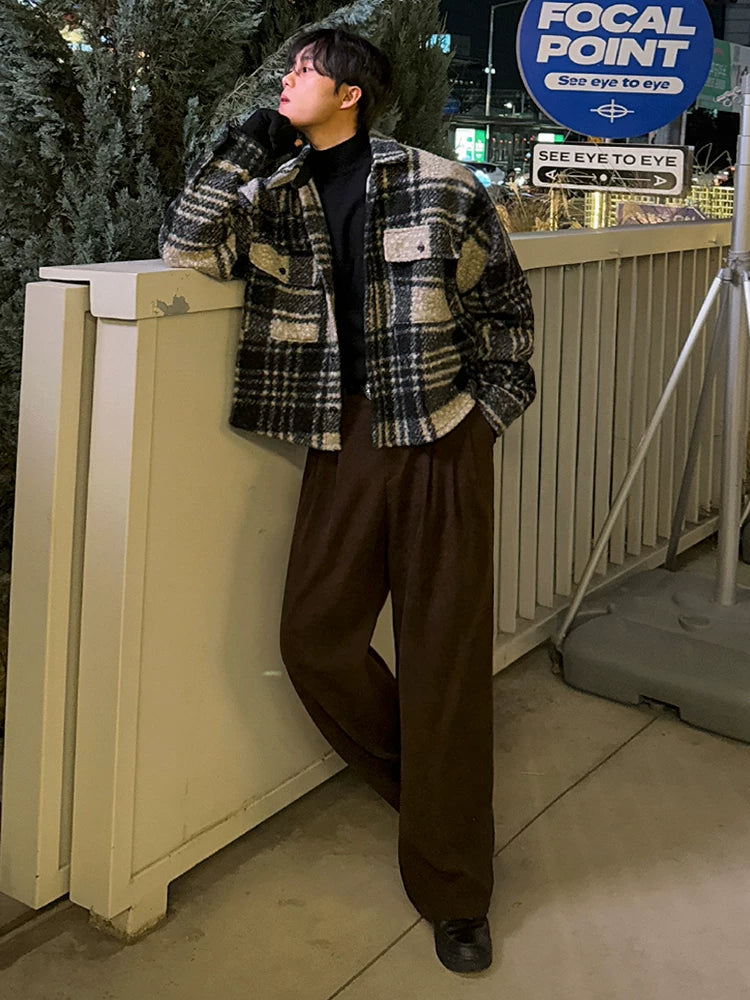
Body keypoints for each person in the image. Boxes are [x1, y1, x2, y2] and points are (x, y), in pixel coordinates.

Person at [159, 26, 535, 974]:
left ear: (352, 92)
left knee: (443, 659)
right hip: (344, 435)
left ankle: (456, 890)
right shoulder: (272, 196)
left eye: (303, 70)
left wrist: (483, 421)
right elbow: (185, 245)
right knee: (313, 639)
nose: (287, 81)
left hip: (442, 431)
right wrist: (244, 144)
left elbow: (506, 317)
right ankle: (434, 794)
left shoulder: (441, 185)